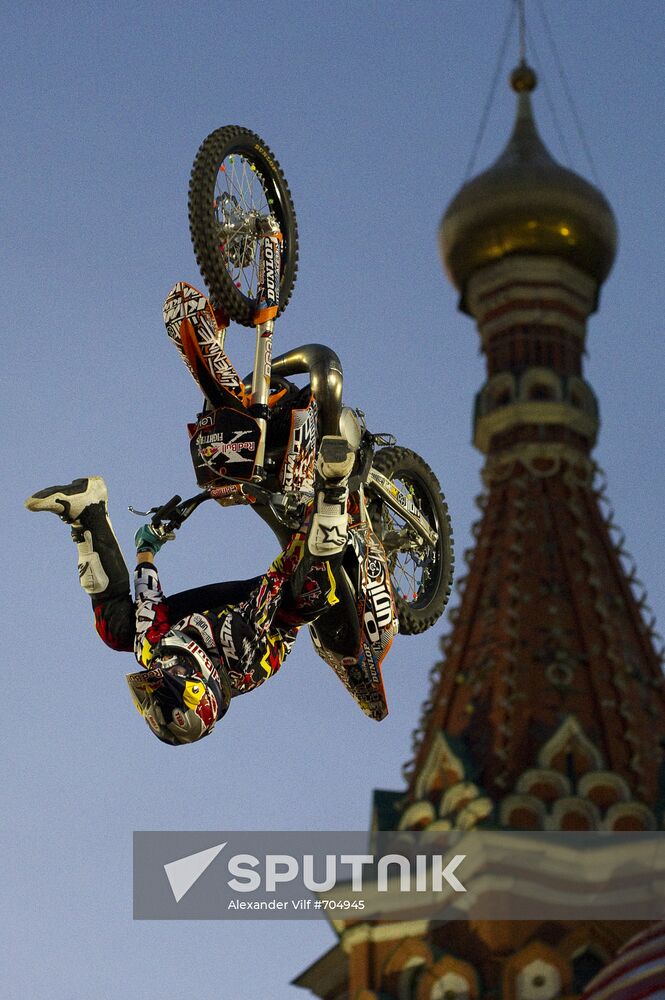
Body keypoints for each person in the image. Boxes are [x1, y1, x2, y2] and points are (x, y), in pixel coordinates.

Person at [25, 438, 354, 746]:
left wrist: (148, 547)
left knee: (117, 633)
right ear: (197, 686)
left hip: (205, 618)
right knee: (309, 598)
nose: (160, 665)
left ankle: (88, 510)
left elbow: (147, 604)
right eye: (168, 674)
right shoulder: (242, 656)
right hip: (263, 615)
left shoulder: (154, 651)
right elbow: (274, 582)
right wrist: (301, 537)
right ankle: (334, 490)